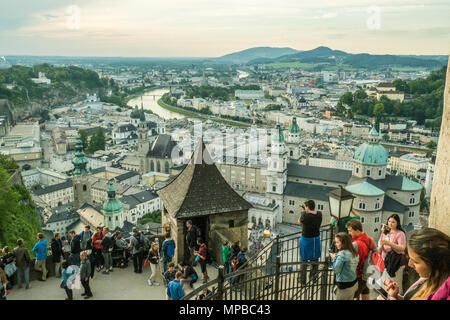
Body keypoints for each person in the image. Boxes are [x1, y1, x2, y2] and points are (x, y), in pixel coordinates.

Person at [383, 228, 450, 300]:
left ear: (434, 264)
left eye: (415, 262)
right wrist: (396, 296)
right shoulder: (428, 280)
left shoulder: (441, 293)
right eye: (409, 258)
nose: (410, 264)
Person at [346, 219, 374, 300]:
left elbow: (350, 261)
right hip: (367, 272)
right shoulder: (369, 240)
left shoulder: (356, 244)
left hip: (358, 275)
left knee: (348, 296)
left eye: (350, 231)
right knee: (365, 293)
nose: (349, 233)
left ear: (357, 230)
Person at [378, 214, 407, 293]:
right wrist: (380, 247)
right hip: (386, 261)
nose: (390, 223)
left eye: (393, 222)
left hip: (395, 262)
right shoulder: (385, 232)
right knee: (384, 283)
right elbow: (380, 243)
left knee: (395, 283)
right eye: (389, 221)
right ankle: (385, 296)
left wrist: (389, 243)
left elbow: (402, 248)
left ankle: (395, 296)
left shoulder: (400, 233)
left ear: (397, 223)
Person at [298, 200, 322, 283]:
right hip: (316, 240)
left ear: (307, 207)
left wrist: (303, 211)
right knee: (315, 260)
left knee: (303, 260)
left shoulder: (305, 216)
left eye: (305, 206)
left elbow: (299, 222)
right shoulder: (319, 214)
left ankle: (302, 280)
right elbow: (312, 214)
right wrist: (306, 210)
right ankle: (313, 277)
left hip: (306, 240)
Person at [329, 232, 359, 300]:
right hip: (353, 283)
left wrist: (334, 259)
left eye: (337, 242)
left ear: (343, 243)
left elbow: (336, 270)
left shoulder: (342, 254)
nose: (336, 244)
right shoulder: (354, 252)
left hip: (344, 287)